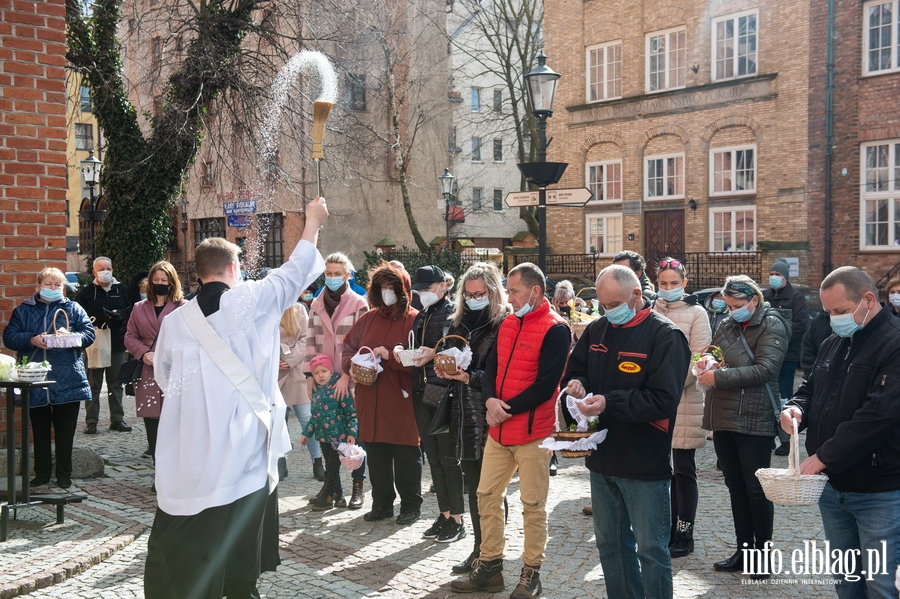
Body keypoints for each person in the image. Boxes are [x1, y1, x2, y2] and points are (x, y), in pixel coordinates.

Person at [143, 196, 328, 599]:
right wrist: (312, 221)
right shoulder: (250, 300)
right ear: (233, 268)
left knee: (196, 514)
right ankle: (241, 587)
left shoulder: (175, 321)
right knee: (241, 516)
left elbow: (164, 376)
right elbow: (295, 273)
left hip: (189, 441)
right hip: (241, 439)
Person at [561, 264, 690, 598]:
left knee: (651, 550)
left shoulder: (666, 336)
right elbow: (577, 371)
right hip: (602, 458)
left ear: (636, 295)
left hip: (645, 463)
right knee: (610, 545)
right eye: (603, 305)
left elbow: (662, 400)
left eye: (613, 304)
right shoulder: (596, 330)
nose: (608, 311)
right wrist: (576, 383)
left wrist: (609, 402)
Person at [450, 262, 569, 599]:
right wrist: (490, 400)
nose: (510, 297)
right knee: (486, 495)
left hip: (533, 432)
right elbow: (491, 368)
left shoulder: (555, 329)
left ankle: (531, 573)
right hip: (499, 431)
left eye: (514, 291)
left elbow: (547, 385)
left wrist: (505, 409)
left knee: (533, 504)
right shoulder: (508, 324)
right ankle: (489, 567)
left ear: (535, 291)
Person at [783, 266, 900, 598]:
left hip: (880, 489)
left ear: (868, 299)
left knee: (882, 584)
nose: (834, 318)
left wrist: (822, 457)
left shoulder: (894, 344)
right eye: (829, 312)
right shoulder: (835, 342)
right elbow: (811, 387)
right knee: (846, 580)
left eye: (840, 311)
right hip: (834, 489)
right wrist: (796, 409)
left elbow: (877, 416)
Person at [697, 275, 788, 578]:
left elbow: (765, 369)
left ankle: (761, 556)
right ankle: (743, 550)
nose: (733, 310)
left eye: (738, 305)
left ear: (754, 301)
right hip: (724, 416)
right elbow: (716, 351)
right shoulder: (725, 323)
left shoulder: (771, 323)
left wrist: (718, 378)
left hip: (754, 417)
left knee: (756, 490)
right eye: (729, 305)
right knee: (735, 486)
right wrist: (707, 361)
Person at [435, 262, 508, 573]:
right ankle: (479, 549)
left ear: (493, 292)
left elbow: (502, 374)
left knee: (491, 490)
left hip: (488, 413)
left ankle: (491, 554)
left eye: (481, 293)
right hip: (463, 412)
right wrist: (444, 367)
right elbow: (451, 356)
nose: (475, 297)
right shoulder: (458, 323)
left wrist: (470, 377)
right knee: (475, 487)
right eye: (469, 293)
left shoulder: (503, 323)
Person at [342, 263, 421, 525]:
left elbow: (422, 358)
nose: (387, 293)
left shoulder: (415, 319)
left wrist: (392, 356)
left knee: (406, 457)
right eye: (383, 288)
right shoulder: (368, 318)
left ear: (404, 290)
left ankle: (410, 505)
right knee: (376, 457)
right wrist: (351, 367)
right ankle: (382, 504)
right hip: (369, 398)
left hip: (401, 401)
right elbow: (348, 348)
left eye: (392, 288)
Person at [3, 267, 95, 489]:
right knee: (40, 430)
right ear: (38, 287)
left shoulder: (73, 309)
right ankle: (41, 473)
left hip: (68, 377)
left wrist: (71, 338)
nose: (53, 288)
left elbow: (89, 334)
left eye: (58, 285)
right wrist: (32, 339)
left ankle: (65, 474)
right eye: (48, 284)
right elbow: (10, 337)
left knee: (65, 431)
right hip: (35, 380)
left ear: (64, 288)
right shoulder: (23, 311)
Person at [651, 258, 712, 558]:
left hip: (684, 399)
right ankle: (665, 526)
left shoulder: (697, 313)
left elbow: (700, 357)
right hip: (655, 403)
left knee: (684, 470)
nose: (669, 288)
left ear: (684, 283)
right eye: (663, 283)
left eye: (674, 283)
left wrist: (670, 386)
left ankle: (684, 531)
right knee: (659, 469)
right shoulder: (652, 309)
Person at [401, 265, 466, 543]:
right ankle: (444, 513)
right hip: (421, 390)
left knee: (449, 458)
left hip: (444, 391)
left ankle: (458, 520)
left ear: (442, 285)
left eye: (427, 289)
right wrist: (405, 354)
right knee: (434, 459)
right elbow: (419, 346)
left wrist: (434, 353)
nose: (422, 294)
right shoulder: (423, 314)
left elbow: (461, 350)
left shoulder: (454, 313)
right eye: (420, 290)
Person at [303, 252, 370, 509]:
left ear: (347, 275)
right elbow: (311, 340)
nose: (332, 278)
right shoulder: (316, 303)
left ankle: (357, 487)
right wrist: (309, 376)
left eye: (336, 274)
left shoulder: (358, 304)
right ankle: (333, 488)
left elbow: (363, 346)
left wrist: (345, 375)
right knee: (326, 434)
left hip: (349, 379)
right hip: (322, 379)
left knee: (353, 434)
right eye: (328, 273)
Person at [124, 261, 186, 465]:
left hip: (174, 369)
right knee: (152, 421)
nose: (160, 283)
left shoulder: (184, 307)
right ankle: (158, 470)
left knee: (175, 421)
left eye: (164, 280)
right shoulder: (139, 307)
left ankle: (174, 469)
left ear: (172, 282)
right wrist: (143, 354)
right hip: (147, 370)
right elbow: (130, 336)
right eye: (156, 279)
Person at [75, 256, 132, 434]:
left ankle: (117, 419)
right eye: (101, 269)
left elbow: (132, 310)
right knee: (94, 383)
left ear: (113, 270)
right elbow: (77, 314)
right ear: (94, 272)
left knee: (115, 383)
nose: (105, 272)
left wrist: (120, 314)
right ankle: (91, 421)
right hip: (95, 343)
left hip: (116, 343)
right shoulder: (86, 292)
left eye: (108, 268)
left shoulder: (122, 290)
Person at [763, 259, 809, 456]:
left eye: (778, 274)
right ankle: (767, 437)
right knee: (765, 396)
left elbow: (801, 325)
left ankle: (786, 439)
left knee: (784, 396)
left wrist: (778, 340)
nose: (774, 277)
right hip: (766, 355)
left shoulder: (796, 298)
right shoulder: (764, 297)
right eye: (772, 273)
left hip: (787, 356)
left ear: (785, 277)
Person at [301, 354, 358, 511]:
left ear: (331, 371)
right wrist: (307, 433)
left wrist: (351, 432)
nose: (320, 375)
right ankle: (339, 496)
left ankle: (328, 497)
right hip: (323, 438)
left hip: (338, 437)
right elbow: (314, 417)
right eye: (316, 373)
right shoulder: (317, 392)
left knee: (332, 468)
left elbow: (351, 413)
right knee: (330, 467)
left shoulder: (339, 389)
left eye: (324, 371)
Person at [278, 301, 324, 482]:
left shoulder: (298, 309)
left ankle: (317, 459)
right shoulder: (264, 309)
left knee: (307, 419)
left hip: (296, 370)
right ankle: (280, 460)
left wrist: (290, 359)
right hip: (273, 372)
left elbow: (306, 338)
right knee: (278, 421)